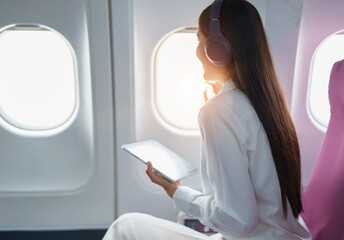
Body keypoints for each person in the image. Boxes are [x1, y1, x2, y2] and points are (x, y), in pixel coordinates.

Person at [103, 0, 312, 239]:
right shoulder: (270, 102)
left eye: (199, 40)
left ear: (217, 47)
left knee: (125, 228)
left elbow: (239, 221)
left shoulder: (220, 110)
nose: (196, 51)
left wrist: (176, 191)